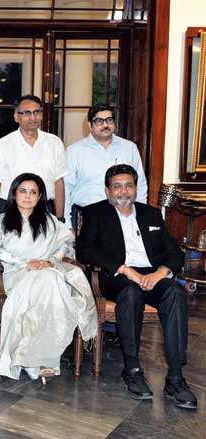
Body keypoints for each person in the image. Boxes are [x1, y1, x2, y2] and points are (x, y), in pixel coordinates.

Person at [77, 164, 197, 410]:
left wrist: (162, 272)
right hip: (116, 275)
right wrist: (124, 269)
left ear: (135, 188)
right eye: (117, 186)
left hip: (151, 274)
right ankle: (132, 369)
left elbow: (173, 251)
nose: (124, 191)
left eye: (129, 185)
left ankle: (175, 377)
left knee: (174, 292)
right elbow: (85, 250)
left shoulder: (151, 214)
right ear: (108, 190)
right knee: (130, 293)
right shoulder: (95, 213)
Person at [0, 173, 97, 382]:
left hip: (47, 271)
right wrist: (24, 263)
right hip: (17, 274)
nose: (27, 196)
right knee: (50, 282)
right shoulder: (3, 220)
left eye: (33, 192)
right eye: (23, 191)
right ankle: (40, 361)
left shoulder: (49, 220)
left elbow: (65, 243)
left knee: (50, 280)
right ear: (14, 194)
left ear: (39, 197)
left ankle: (36, 359)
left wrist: (51, 261)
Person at [65, 104, 147, 230]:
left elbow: (140, 185)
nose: (105, 125)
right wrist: (67, 225)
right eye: (99, 121)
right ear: (89, 125)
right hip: (87, 218)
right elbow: (66, 190)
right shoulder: (74, 151)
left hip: (124, 216)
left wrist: (140, 217)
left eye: (109, 120)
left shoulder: (129, 148)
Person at [0, 95, 68, 219]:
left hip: (45, 209)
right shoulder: (3, 145)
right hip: (11, 209)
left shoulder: (54, 143)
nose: (33, 117)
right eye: (27, 113)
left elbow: (59, 183)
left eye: (37, 112)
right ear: (16, 117)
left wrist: (60, 219)